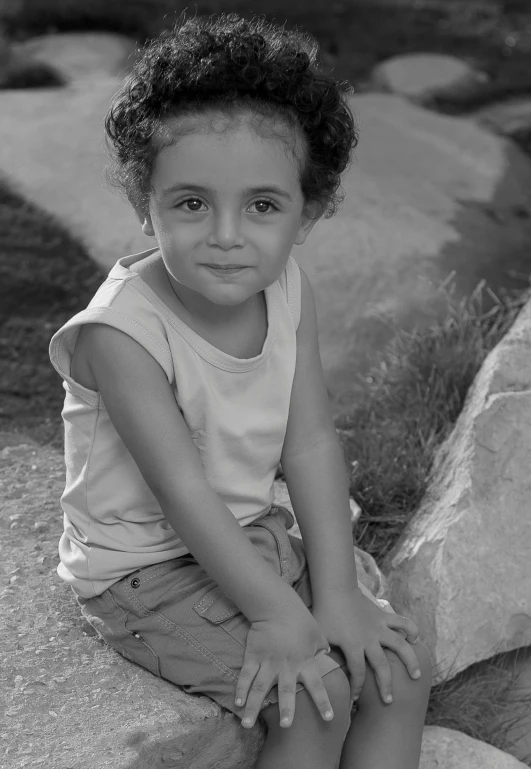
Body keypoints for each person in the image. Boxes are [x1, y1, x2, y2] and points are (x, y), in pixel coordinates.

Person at [49, 13, 432, 768]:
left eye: (262, 206)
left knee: (395, 671)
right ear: (142, 200)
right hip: (143, 570)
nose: (227, 235)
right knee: (314, 697)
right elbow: (183, 493)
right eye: (191, 203)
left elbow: (311, 440)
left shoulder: (285, 286)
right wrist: (276, 612)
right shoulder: (120, 332)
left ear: (309, 211)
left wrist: (337, 593)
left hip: (247, 530)